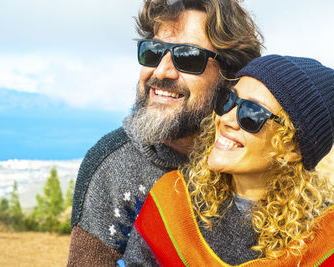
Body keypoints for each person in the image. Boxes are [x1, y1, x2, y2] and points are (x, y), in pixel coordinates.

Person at [67, 0, 262, 265]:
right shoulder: (111, 164)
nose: (161, 71)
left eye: (189, 57)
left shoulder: (255, 157)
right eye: (153, 51)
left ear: (230, 76)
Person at [121, 55, 334, 266]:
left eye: (252, 114)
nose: (226, 119)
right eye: (229, 101)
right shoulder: (171, 199)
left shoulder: (329, 235)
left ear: (292, 149)